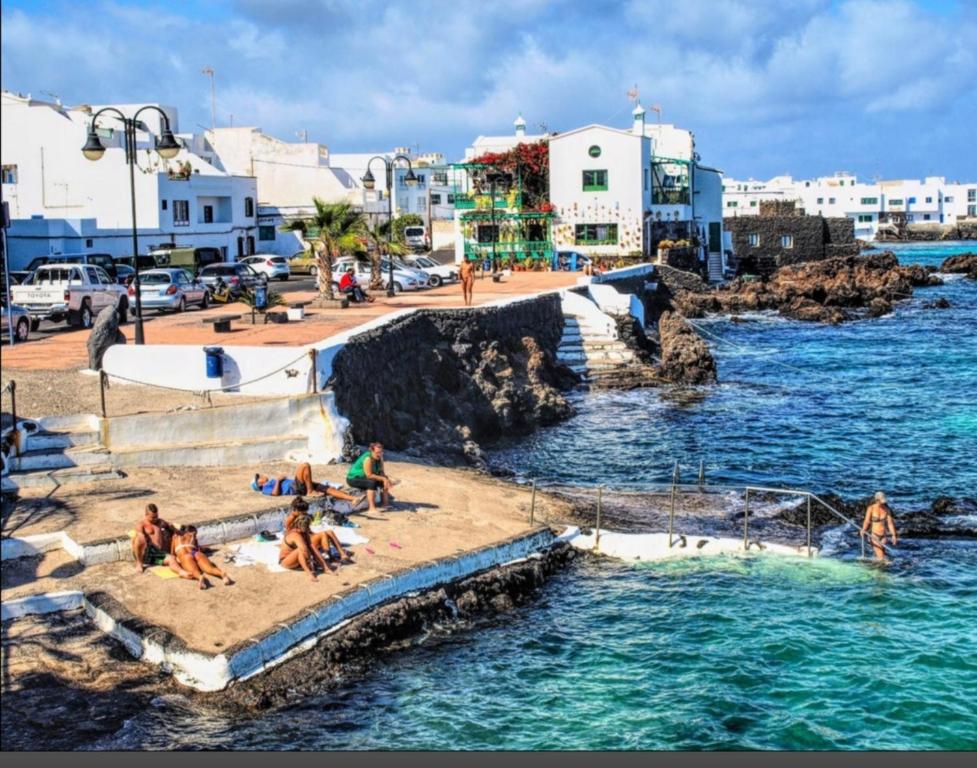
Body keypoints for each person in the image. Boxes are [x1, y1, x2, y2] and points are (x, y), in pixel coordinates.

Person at [252, 462, 364, 506]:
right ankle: (310, 491)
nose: (261, 476)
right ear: (259, 484)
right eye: (259, 478)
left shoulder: (270, 481)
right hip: (295, 487)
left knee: (328, 488)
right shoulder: (266, 488)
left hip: (300, 485)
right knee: (304, 466)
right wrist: (278, 480)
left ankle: (353, 499)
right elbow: (275, 494)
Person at [284, 497, 354, 565]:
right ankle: (328, 556)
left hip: (307, 538)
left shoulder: (303, 515)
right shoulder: (290, 519)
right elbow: (290, 535)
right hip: (301, 543)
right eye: (303, 512)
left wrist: (313, 534)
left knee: (329, 532)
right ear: (296, 510)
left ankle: (342, 554)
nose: (305, 513)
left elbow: (307, 530)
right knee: (323, 534)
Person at [170, 525, 235, 589]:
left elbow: (172, 554)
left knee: (193, 571)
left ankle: (199, 577)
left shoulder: (174, 537)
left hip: (185, 555)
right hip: (196, 553)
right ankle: (221, 574)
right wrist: (209, 549)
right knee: (210, 569)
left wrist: (178, 560)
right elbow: (197, 548)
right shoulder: (192, 536)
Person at [132, 503, 186, 575]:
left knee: (172, 558)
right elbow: (139, 535)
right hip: (147, 554)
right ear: (146, 515)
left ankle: (182, 573)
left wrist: (176, 530)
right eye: (153, 517)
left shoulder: (161, 522)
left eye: (156, 516)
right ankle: (139, 563)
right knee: (138, 538)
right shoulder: (141, 524)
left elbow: (171, 526)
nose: (155, 519)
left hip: (157, 555)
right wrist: (141, 536)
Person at [278, 512, 333, 581]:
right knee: (301, 550)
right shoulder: (295, 535)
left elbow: (312, 548)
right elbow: (304, 550)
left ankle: (325, 568)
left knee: (310, 549)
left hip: (296, 558)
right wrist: (311, 564)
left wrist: (324, 565)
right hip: (285, 561)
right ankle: (309, 573)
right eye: (306, 526)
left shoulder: (304, 532)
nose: (308, 528)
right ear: (299, 525)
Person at [346, 442, 397, 513]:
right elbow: (369, 475)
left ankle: (385, 504)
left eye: (381, 452)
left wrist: (386, 479)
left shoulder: (380, 458)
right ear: (372, 451)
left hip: (365, 477)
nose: (380, 454)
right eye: (378, 452)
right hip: (353, 478)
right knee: (371, 483)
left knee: (385, 480)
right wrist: (383, 478)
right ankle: (371, 508)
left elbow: (381, 472)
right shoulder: (368, 459)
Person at [861, 491, 898, 560]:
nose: (884, 503)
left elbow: (890, 523)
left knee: (882, 554)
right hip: (874, 536)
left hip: (883, 536)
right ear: (877, 500)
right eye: (882, 501)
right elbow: (867, 521)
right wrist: (863, 529)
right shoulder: (871, 508)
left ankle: (875, 567)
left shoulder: (887, 509)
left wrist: (894, 535)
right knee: (881, 557)